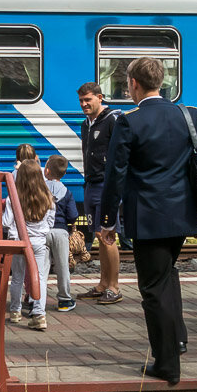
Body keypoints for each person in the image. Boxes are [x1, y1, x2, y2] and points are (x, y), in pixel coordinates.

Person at [98, 57, 197, 385]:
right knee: (166, 278)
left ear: (133, 83)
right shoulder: (191, 116)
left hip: (148, 216)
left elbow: (114, 175)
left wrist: (106, 220)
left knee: (154, 288)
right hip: (182, 214)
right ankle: (177, 341)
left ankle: (167, 364)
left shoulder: (129, 122)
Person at [77, 81, 122, 305]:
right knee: (98, 235)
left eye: (88, 100)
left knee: (108, 236)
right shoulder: (87, 124)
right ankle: (103, 284)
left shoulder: (112, 119)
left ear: (100, 97)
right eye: (81, 101)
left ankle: (114, 287)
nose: (84, 104)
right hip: (91, 183)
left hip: (106, 184)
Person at [4, 159, 55, 331]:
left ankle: (15, 312)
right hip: (39, 243)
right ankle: (39, 315)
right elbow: (50, 222)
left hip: (19, 242)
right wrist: (41, 231)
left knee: (17, 277)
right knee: (40, 278)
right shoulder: (47, 196)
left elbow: (6, 222)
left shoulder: (14, 197)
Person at [44, 155, 78, 313]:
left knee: (42, 268)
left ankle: (37, 300)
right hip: (61, 232)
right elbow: (73, 215)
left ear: (47, 170)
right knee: (62, 266)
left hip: (42, 231)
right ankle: (64, 300)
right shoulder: (67, 192)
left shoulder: (40, 188)